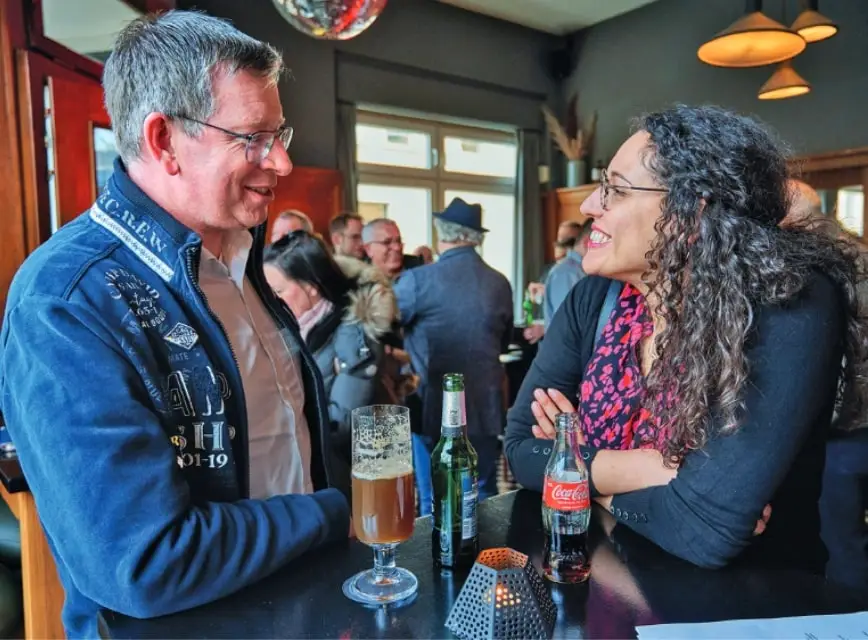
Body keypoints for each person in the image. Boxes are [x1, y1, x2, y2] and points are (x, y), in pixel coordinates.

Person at [0, 11, 350, 637]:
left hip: (301, 608)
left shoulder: (240, 253)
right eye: (253, 137)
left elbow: (280, 443)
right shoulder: (65, 299)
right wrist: (331, 514)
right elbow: (142, 562)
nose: (283, 162)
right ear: (163, 140)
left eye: (280, 132)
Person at [504, 105, 867, 573]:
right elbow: (518, 450)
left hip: (752, 605)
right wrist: (656, 469)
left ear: (688, 212)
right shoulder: (594, 298)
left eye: (614, 190)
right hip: (605, 582)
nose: (591, 206)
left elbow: (705, 532)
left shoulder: (787, 302)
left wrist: (578, 471)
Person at [394, 198, 514, 503]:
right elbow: (503, 343)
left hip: (434, 404)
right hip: (485, 405)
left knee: (435, 498)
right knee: (484, 494)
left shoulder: (417, 281)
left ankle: (439, 552)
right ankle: (485, 550)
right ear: (476, 237)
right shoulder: (499, 283)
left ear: (441, 233)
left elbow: (385, 330)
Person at [263, 231, 416, 460]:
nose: (271, 300)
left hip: (342, 472)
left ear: (311, 286)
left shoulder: (355, 337)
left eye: (278, 291)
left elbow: (340, 426)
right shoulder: (285, 327)